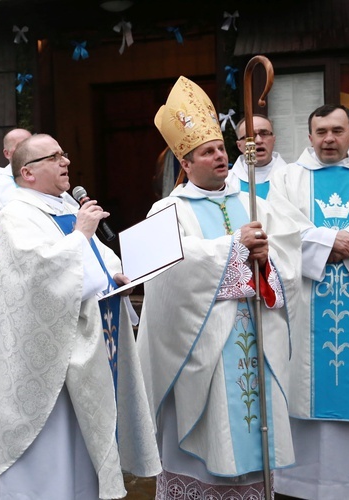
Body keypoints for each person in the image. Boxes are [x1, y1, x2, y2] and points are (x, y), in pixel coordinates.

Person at [0, 134, 160, 499]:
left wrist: (113, 276)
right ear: (28, 172)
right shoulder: (15, 216)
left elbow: (96, 259)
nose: (65, 161)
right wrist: (82, 233)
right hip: (43, 364)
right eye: (54, 157)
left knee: (82, 454)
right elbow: (41, 277)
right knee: (50, 457)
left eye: (64, 154)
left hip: (86, 348)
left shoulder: (65, 208)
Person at [138, 76, 303, 500]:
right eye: (207, 152)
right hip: (202, 350)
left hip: (253, 338)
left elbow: (288, 258)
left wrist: (267, 260)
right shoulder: (166, 210)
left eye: (221, 150)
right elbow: (163, 275)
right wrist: (232, 248)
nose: (219, 157)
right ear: (186, 164)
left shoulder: (253, 202)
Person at [269, 104, 349, 499]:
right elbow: (277, 228)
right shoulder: (287, 178)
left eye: (337, 131)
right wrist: (329, 240)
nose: (329, 139)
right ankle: (301, 487)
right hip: (306, 306)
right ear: (309, 136)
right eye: (321, 131)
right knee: (305, 389)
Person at [227, 114, 288, 199]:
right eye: (250, 136)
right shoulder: (227, 182)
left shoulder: (291, 177)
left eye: (264, 133)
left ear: (274, 139)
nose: (258, 141)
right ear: (239, 145)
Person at [0, 128, 32, 210]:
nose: (28, 150)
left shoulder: (46, 177)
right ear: (7, 153)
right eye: (20, 146)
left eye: (31, 145)